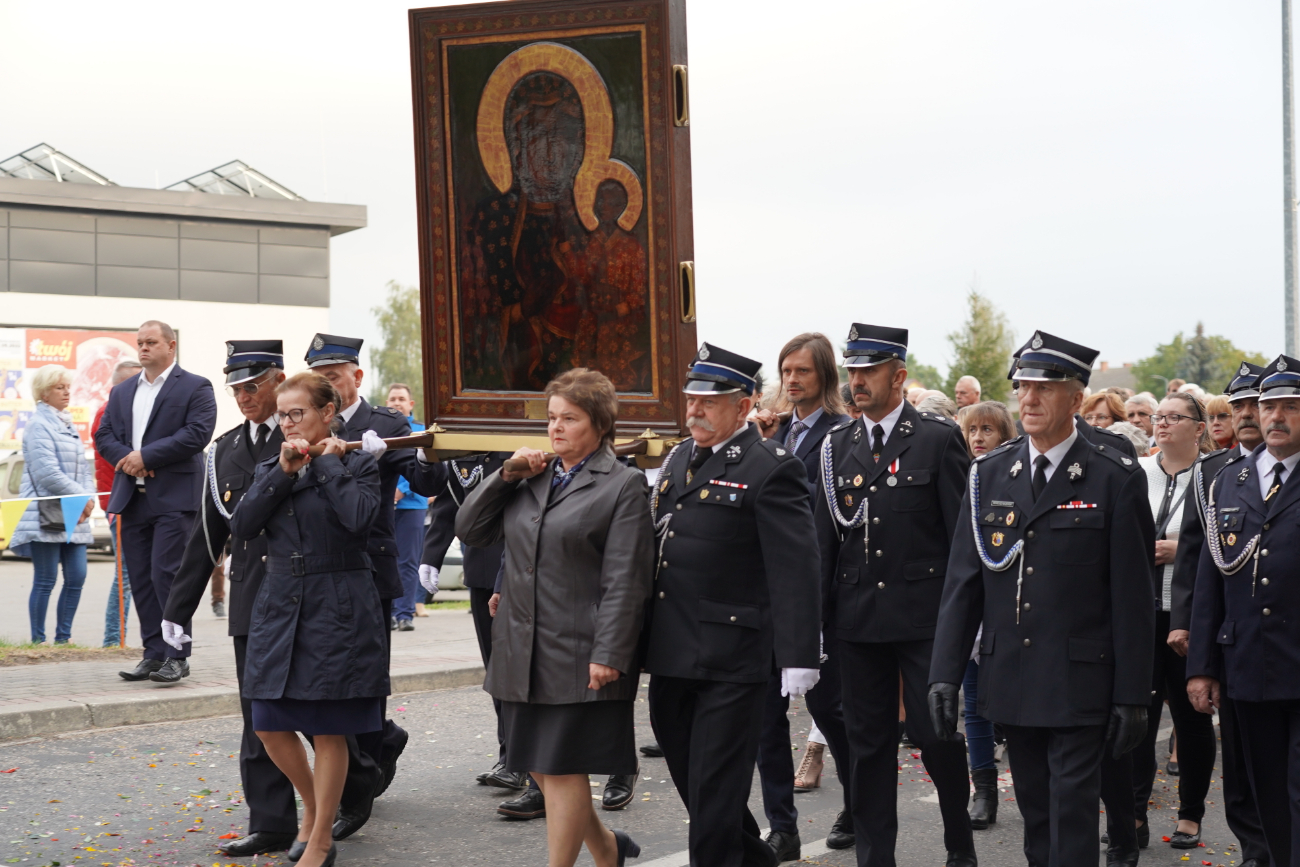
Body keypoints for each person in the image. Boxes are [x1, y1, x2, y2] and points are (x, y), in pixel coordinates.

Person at [929, 330, 1154, 867]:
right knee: (1036, 817)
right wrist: (944, 674)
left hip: (1081, 679)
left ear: (1076, 399)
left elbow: (1133, 597)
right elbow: (964, 585)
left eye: (1044, 388)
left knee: (1071, 813)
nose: (1028, 399)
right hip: (1012, 674)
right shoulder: (989, 474)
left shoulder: (1113, 477)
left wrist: (1133, 693)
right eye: (1023, 387)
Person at [456, 367, 652, 867]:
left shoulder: (623, 483)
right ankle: (608, 848)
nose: (556, 428)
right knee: (538, 766)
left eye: (570, 418)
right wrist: (505, 475)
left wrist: (610, 652)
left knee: (562, 770)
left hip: (578, 649)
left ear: (601, 424)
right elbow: (471, 530)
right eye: (551, 418)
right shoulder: (532, 475)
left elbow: (626, 578)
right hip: (521, 647)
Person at [644, 343, 820, 867]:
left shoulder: (771, 468)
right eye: (691, 399)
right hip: (671, 651)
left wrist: (799, 655)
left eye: (709, 401)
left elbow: (796, 567)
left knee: (715, 799)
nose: (694, 410)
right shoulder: (679, 457)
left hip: (732, 660)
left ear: (743, 406)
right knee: (702, 794)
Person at [814, 323, 976, 867]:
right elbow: (824, 542)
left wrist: (966, 623)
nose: (857, 381)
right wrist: (816, 625)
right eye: (852, 370)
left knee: (937, 736)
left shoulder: (936, 438)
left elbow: (961, 540)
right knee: (867, 745)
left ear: (898, 376)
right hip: (858, 619)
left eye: (869, 371)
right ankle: (875, 856)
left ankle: (959, 842)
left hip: (924, 619)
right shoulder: (837, 446)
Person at [230, 371, 385, 867]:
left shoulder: (358, 463)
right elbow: (243, 524)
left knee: (327, 727)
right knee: (268, 722)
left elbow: (359, 520)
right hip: (280, 601)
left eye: (296, 413)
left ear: (327, 413)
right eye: (282, 415)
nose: (288, 423)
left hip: (337, 601)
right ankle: (316, 809)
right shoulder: (274, 464)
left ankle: (319, 840)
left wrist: (330, 464)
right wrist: (282, 472)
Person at [304, 334, 446, 839]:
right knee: (318, 682)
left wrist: (420, 452)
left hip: (368, 568)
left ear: (357, 376)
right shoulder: (309, 419)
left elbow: (427, 484)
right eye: (320, 379)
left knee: (362, 679)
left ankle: (356, 783)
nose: (328, 386)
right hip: (314, 571)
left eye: (335, 377)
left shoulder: (385, 424)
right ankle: (379, 744)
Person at [158, 341, 297, 858]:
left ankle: (355, 784)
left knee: (320, 710)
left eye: (252, 386)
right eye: (235, 388)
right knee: (258, 714)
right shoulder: (224, 450)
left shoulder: (304, 435)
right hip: (252, 598)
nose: (242, 397)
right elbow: (208, 537)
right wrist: (178, 609)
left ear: (279, 379)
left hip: (307, 596)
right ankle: (272, 821)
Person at [1188, 354, 1300, 867]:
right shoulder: (1228, 481)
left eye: (1290, 407)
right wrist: (1202, 666)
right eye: (1269, 406)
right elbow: (1210, 580)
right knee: (1265, 792)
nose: (1276, 416)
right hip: (1250, 663)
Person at [753, 333, 856, 856]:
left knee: (829, 707)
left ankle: (859, 802)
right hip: (765, 594)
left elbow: (828, 508)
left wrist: (771, 454)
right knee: (765, 716)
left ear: (825, 377)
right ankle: (783, 826)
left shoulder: (843, 432)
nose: (792, 380)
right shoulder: (772, 430)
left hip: (820, 593)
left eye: (803, 371)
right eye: (786, 371)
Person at [1168, 361, 1269, 867]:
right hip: (1231, 637)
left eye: (1255, 404)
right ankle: (1254, 850)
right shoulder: (1213, 472)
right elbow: (1196, 559)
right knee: (1242, 766)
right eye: (1238, 405)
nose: (1246, 414)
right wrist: (1187, 626)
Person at [94, 320, 217, 684]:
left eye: (151, 342)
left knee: (168, 575)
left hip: (175, 498)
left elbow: (197, 434)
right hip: (133, 497)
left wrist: (147, 456)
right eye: (140, 343)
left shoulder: (195, 386)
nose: (143, 348)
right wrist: (129, 459)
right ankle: (153, 654)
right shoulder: (122, 391)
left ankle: (177, 655)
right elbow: (104, 434)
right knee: (142, 578)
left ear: (171, 346)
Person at [420, 450, 541, 807]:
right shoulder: (466, 450)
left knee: (524, 670)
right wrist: (432, 554)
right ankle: (510, 755)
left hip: (524, 566)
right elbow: (453, 503)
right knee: (497, 672)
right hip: (481, 566)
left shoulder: (516, 446)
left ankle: (528, 762)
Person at [1128, 391, 1216, 853]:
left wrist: (1180, 550)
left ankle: (1190, 815)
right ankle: (1134, 813)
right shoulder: (1137, 472)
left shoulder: (1213, 476)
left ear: (1199, 428)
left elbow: (1224, 541)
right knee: (1136, 718)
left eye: (1173, 417)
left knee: (1190, 717)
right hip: (1139, 613)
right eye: (1158, 416)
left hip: (1188, 615)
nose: (1161, 423)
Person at [953, 399, 1017, 829]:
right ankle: (984, 790)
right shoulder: (961, 475)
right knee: (974, 704)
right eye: (972, 430)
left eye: (987, 430)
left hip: (1012, 607)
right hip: (972, 607)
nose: (978, 438)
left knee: (1016, 702)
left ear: (1005, 435)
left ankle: (1032, 784)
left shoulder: (1016, 476)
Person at [9, 365, 95, 645]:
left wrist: (89, 497)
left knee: (77, 577)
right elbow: (47, 473)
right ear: (44, 393)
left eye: (67, 386)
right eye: (60, 387)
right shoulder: (38, 425)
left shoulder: (67, 423)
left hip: (74, 510)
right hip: (45, 512)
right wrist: (82, 496)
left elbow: (83, 469)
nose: (67, 392)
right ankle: (38, 641)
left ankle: (63, 639)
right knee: (45, 580)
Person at [99, 359, 141, 648]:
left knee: (130, 574)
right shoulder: (109, 413)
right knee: (125, 576)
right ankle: (114, 640)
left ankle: (117, 638)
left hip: (123, 500)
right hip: (120, 503)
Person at [385, 383, 426, 632]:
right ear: (386, 404)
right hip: (385, 504)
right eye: (392, 399)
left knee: (408, 561)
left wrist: (401, 489)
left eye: (401, 399)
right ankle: (388, 612)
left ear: (410, 404)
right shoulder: (379, 429)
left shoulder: (420, 431)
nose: (397, 403)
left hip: (412, 505)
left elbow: (423, 466)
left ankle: (405, 613)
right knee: (386, 559)